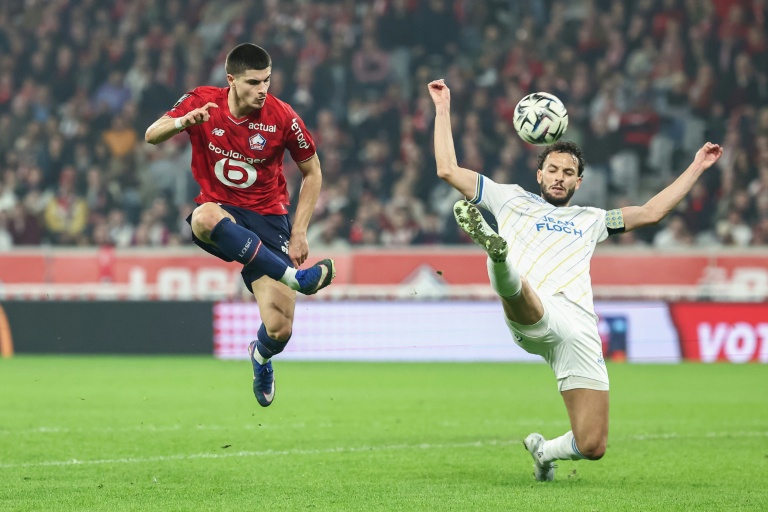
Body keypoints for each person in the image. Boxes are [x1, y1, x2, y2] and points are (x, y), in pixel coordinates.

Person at [427, 78, 723, 481]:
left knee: (593, 445)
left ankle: (544, 453)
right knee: (520, 286)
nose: (560, 177)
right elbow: (446, 168)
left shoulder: (592, 220)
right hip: (532, 312)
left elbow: (652, 212)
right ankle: (496, 253)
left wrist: (697, 166)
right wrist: (443, 107)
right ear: (539, 174)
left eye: (568, 173)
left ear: (579, 182)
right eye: (552, 169)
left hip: (579, 328)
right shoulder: (508, 197)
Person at [145, 44, 336, 407]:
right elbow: (151, 135)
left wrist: (298, 232)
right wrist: (185, 122)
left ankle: (261, 357)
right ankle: (296, 278)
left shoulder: (282, 117)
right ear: (231, 80)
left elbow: (313, 172)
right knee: (203, 217)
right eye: (253, 82)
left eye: (266, 80)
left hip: (269, 218)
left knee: (281, 329)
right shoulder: (203, 101)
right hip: (223, 212)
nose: (262, 89)